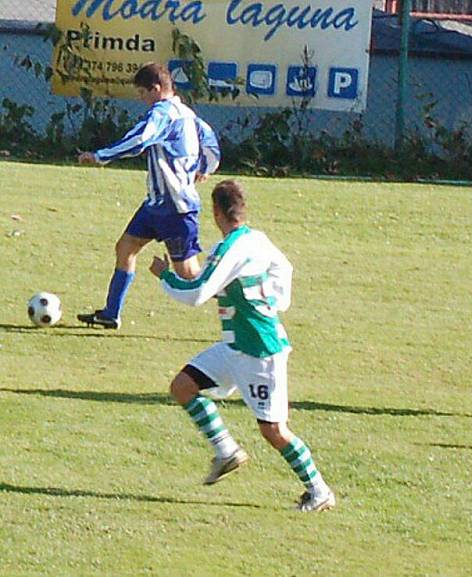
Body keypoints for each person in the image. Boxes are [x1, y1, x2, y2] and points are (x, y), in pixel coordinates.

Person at [148, 179, 336, 512]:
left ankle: (319, 491)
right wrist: (276, 299)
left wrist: (165, 275)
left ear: (216, 211)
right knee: (183, 386)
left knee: (274, 431)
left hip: (260, 352)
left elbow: (197, 293)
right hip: (234, 346)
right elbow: (284, 268)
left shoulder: (229, 249)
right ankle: (226, 451)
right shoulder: (257, 240)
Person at [77, 62, 220, 329]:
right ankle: (111, 314)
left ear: (156, 89)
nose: (142, 100)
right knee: (125, 248)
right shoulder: (189, 114)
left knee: (189, 276)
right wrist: (205, 168)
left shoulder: (163, 113)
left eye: (142, 93)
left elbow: (139, 139)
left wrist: (100, 156)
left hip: (176, 208)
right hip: (156, 204)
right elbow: (211, 145)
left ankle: (242, 301)